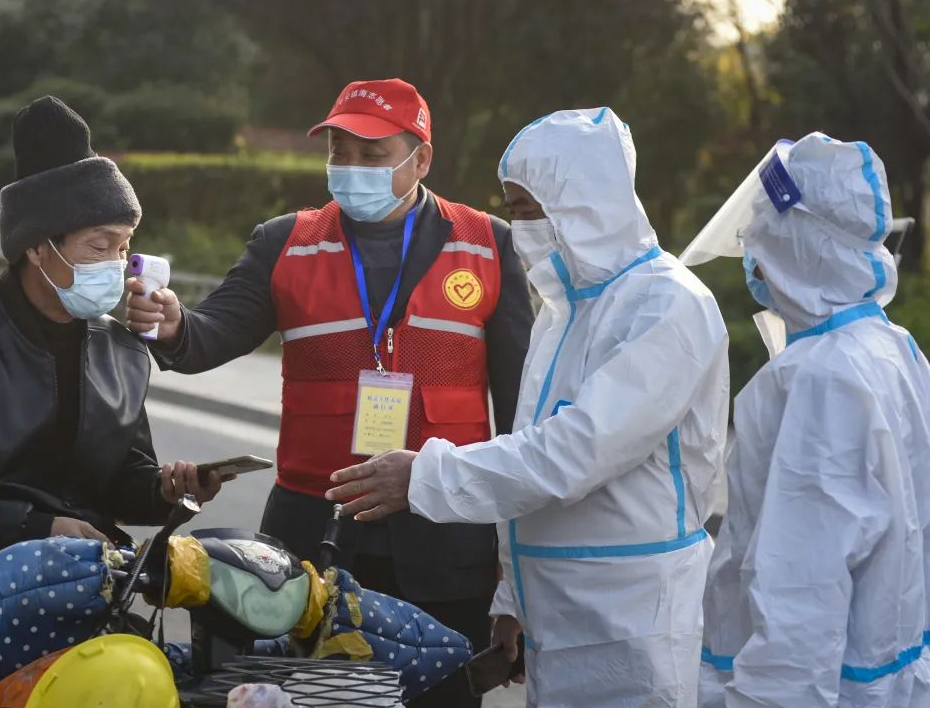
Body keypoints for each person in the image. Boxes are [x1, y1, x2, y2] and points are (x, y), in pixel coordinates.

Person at [126, 78, 533, 706]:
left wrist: (520, 575)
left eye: (372, 155)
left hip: (447, 539)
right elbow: (209, 335)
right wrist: (174, 325)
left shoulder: (488, 243)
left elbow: (520, 419)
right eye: (339, 152)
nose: (350, 168)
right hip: (310, 536)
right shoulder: (282, 241)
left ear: (420, 159)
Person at [327, 108, 731, 707]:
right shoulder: (566, 309)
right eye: (512, 210)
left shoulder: (666, 306)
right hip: (558, 613)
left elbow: (574, 452)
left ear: (585, 205)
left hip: (634, 618)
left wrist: (428, 473)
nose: (517, 229)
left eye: (525, 211)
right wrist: (513, 599)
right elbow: (530, 450)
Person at [0, 96, 224, 705]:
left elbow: (122, 478)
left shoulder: (120, 348)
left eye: (125, 246)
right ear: (38, 246)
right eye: (99, 246)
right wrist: (37, 529)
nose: (117, 267)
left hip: (91, 603)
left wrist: (166, 489)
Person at [681, 133, 930, 707]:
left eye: (760, 233)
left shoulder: (822, 379)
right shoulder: (892, 346)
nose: (751, 251)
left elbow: (801, 589)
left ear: (799, 242)